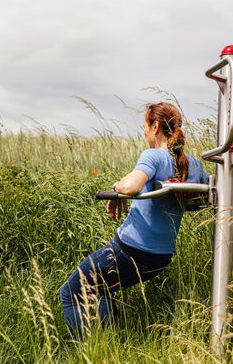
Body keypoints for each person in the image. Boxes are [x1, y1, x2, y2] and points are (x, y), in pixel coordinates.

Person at [59, 102, 209, 339]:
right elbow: (205, 193)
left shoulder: (153, 155)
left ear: (156, 126)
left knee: (71, 292)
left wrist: (117, 188)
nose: (144, 132)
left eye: (145, 126)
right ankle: (105, 344)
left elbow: (131, 185)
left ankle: (86, 350)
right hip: (160, 258)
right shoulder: (194, 163)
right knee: (101, 291)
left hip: (129, 251)